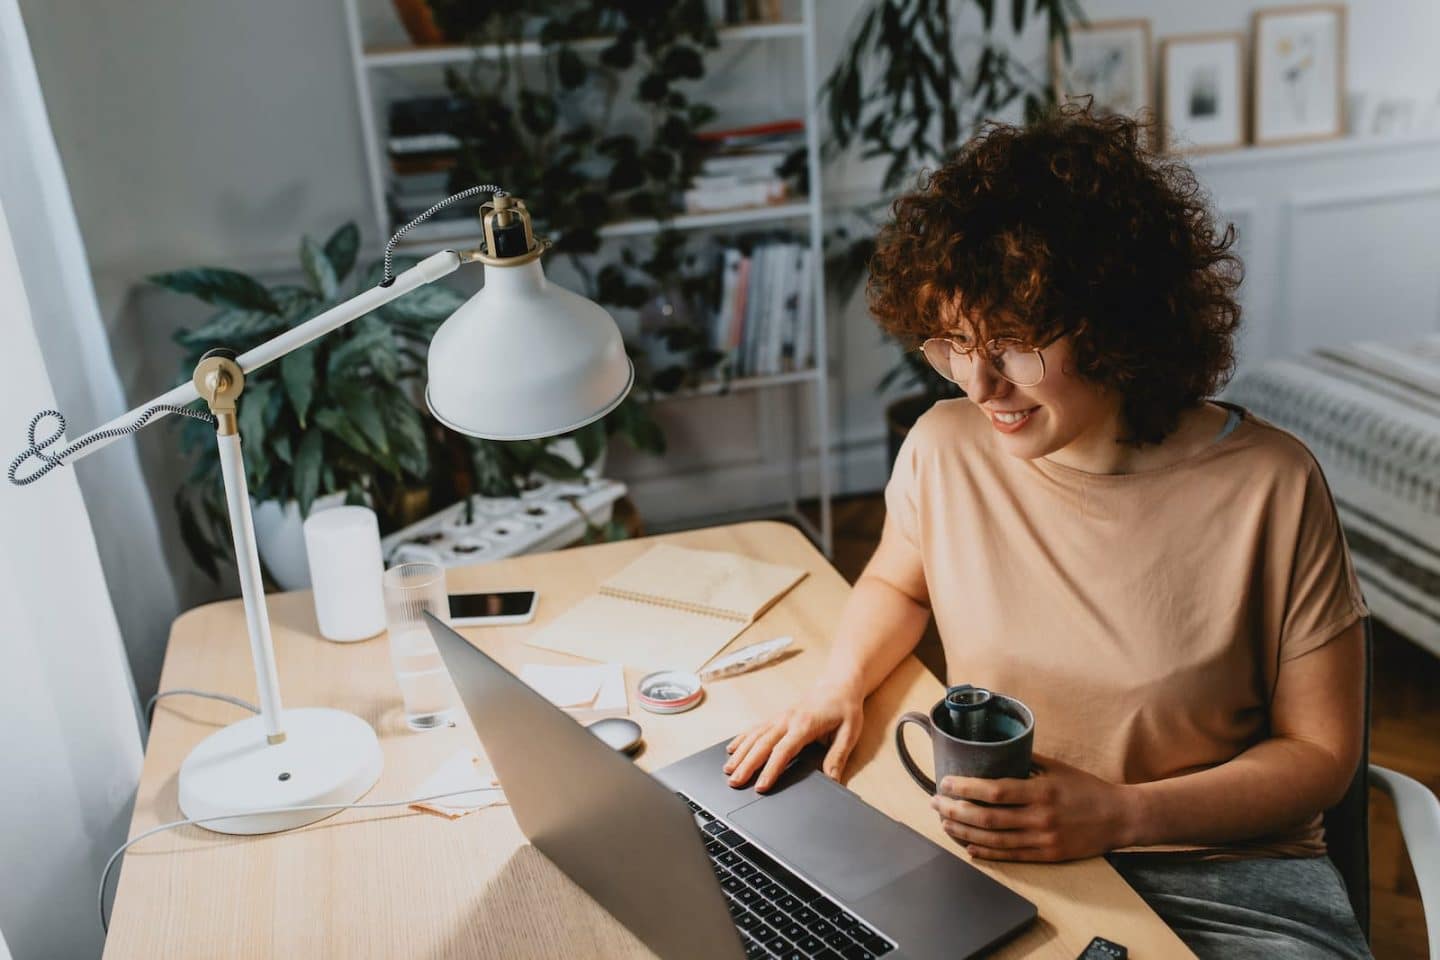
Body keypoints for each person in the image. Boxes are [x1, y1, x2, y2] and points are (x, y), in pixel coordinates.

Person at [722, 104, 1372, 960]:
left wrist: (1124, 811)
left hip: (1221, 884)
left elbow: (1323, 755)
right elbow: (896, 582)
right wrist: (837, 685)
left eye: (1015, 343)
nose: (981, 383)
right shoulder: (945, 448)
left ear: (1118, 322)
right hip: (1008, 869)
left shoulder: (1271, 484)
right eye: (952, 342)